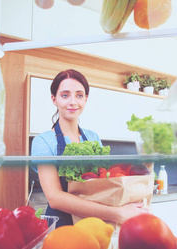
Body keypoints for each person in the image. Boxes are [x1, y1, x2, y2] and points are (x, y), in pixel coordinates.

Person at [31, 69, 147, 228]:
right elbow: (55, 198)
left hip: (94, 223)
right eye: (65, 95)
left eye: (79, 95)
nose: (72, 102)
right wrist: (118, 213)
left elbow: (103, 186)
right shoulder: (43, 141)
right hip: (61, 226)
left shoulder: (93, 138)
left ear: (86, 99)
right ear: (54, 99)